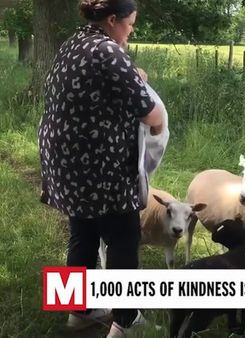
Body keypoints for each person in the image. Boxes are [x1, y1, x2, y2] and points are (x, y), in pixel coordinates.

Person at [37, 0, 163, 336]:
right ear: (112, 20)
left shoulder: (72, 43)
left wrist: (133, 77)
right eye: (130, 24)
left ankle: (77, 312)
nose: (131, 31)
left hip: (64, 160)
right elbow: (152, 115)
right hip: (98, 165)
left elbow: (98, 88)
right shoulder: (108, 50)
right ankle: (125, 322)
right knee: (123, 238)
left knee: (83, 233)